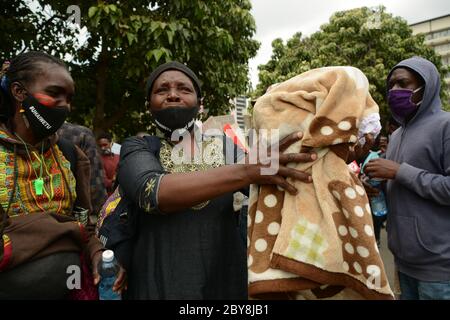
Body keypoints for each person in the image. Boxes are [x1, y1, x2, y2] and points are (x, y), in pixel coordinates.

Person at [116, 61, 316, 299]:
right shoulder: (137, 147)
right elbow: (151, 192)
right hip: (159, 282)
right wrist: (246, 170)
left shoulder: (226, 148)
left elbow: (274, 178)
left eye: (184, 89)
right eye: (162, 90)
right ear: (149, 105)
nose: (172, 95)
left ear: (200, 105)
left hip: (223, 280)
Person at [0, 51, 124, 299]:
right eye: (54, 94)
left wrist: (97, 253)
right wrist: (62, 231)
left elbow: (84, 224)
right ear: (19, 92)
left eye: (68, 98)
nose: (65, 106)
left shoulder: (70, 154)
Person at [365, 56, 450, 300]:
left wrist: (399, 171)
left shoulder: (446, 125)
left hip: (439, 269)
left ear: (427, 87)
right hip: (403, 261)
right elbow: (398, 183)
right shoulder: (398, 134)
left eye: (403, 84)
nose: (394, 91)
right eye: (391, 85)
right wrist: (373, 185)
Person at [58, 122, 108, 222]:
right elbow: (95, 186)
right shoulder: (80, 134)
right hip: (71, 218)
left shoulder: (21, 128)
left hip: (25, 222)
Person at [97, 132, 120, 196]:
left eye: (105, 145)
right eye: (100, 146)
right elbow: (103, 181)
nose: (102, 148)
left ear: (111, 144)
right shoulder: (98, 160)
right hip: (108, 197)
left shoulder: (119, 157)